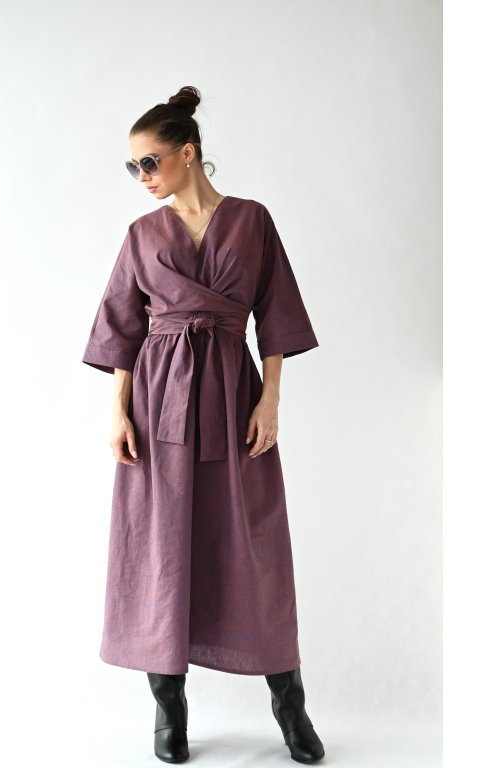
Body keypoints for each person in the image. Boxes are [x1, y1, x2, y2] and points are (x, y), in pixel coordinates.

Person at [82, 85, 325, 764]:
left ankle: (290, 704)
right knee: (159, 547)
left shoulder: (251, 221)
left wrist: (270, 400)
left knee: (255, 546)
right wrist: (117, 411)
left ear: (188, 153)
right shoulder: (141, 235)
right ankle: (170, 711)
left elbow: (276, 314)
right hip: (158, 403)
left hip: (232, 395)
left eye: (149, 162)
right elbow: (121, 329)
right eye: (132, 166)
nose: (142, 176)